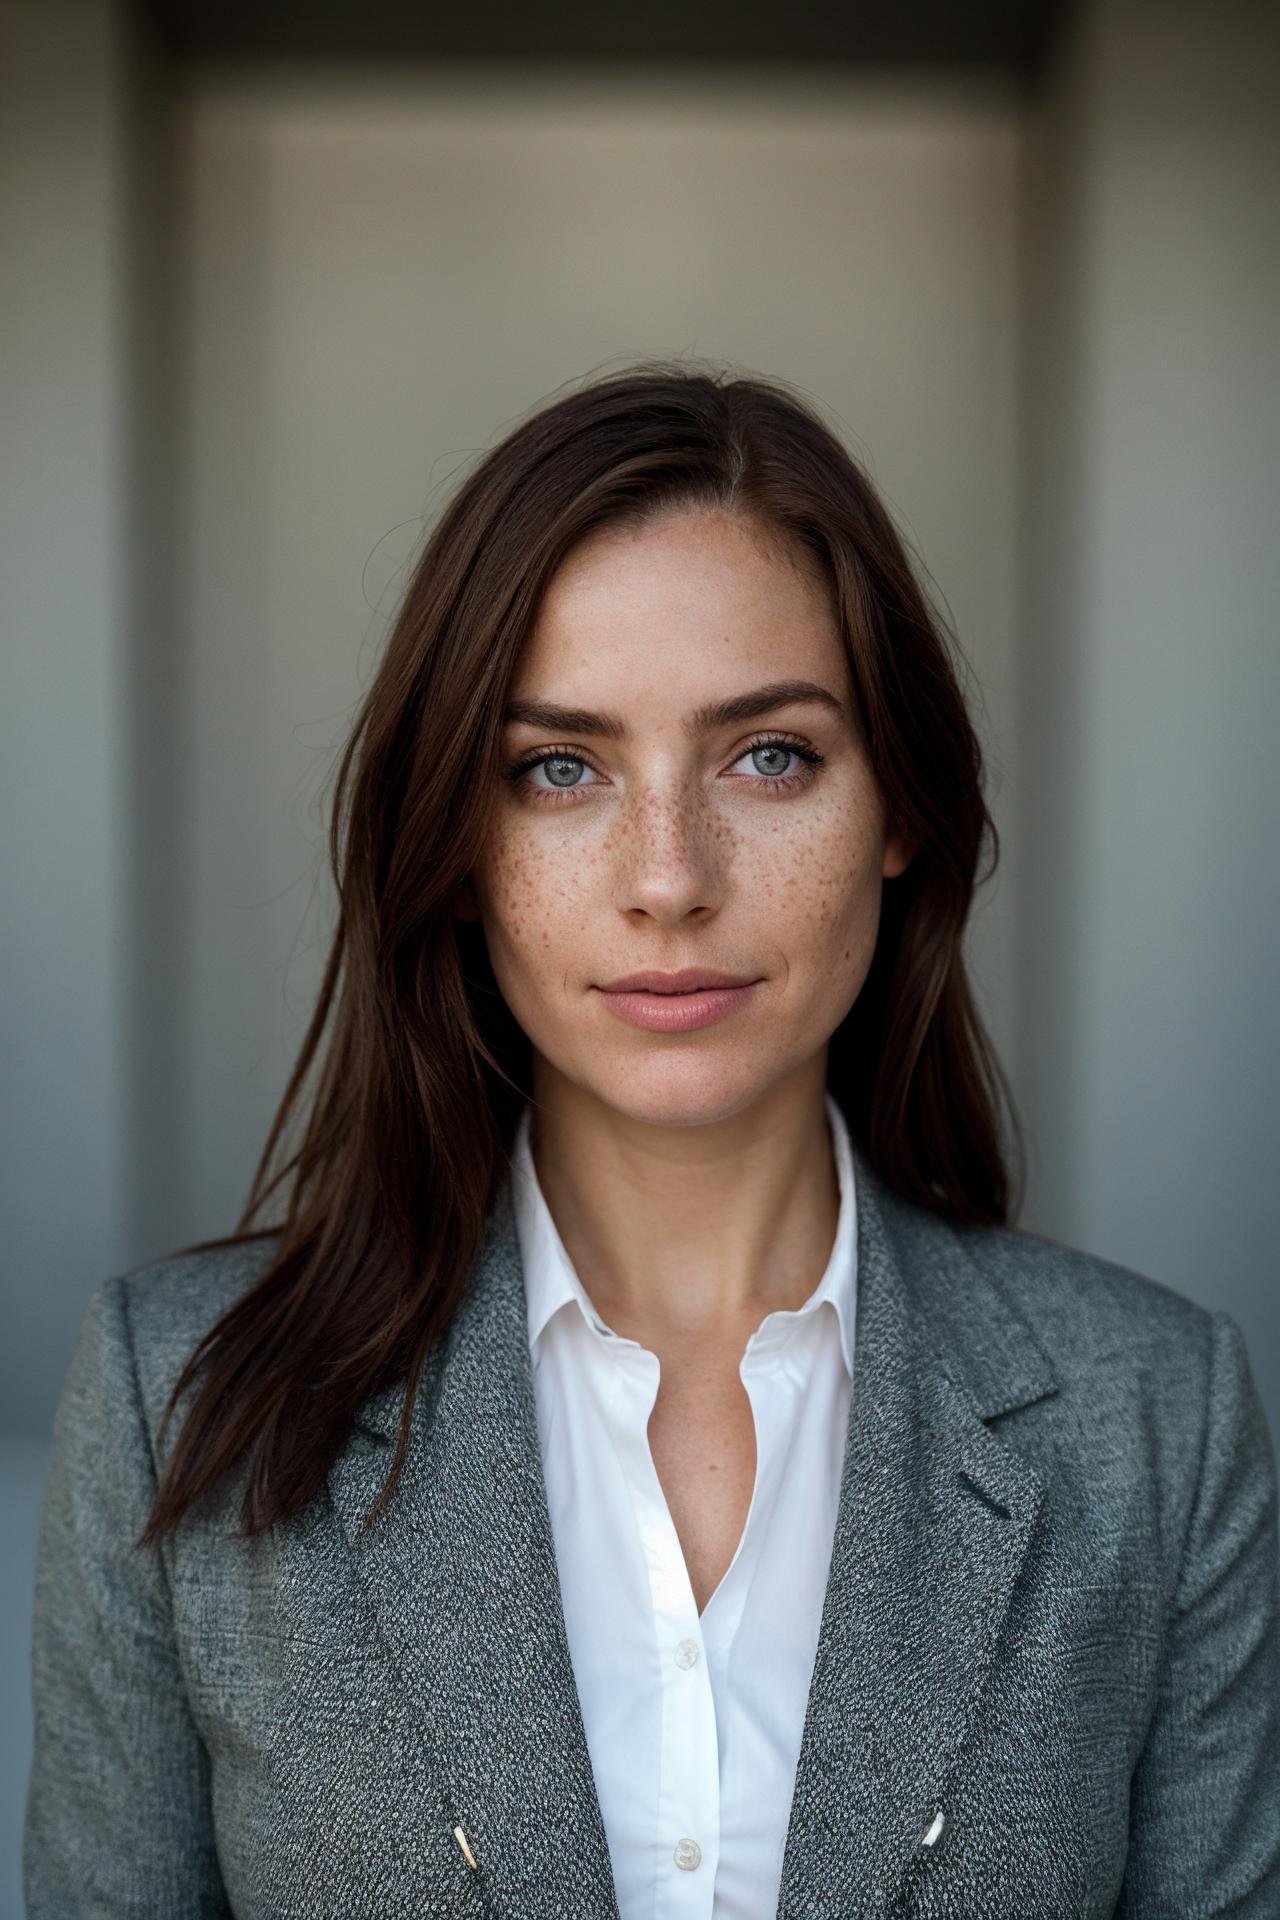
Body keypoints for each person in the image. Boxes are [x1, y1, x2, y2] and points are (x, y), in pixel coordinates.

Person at [24, 362, 1280, 1919]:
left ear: (901, 810)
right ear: (458, 847)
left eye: (771, 756)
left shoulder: (1157, 1419)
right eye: (560, 768)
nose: (669, 878)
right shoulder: (180, 1400)